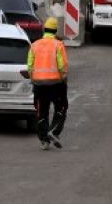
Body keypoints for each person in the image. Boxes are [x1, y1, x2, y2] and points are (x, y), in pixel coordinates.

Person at [27, 16, 69, 150]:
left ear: (44, 29)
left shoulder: (34, 45)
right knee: (61, 108)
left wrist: (33, 78)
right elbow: (62, 65)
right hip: (56, 83)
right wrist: (64, 77)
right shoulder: (58, 45)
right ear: (55, 31)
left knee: (41, 111)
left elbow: (29, 66)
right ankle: (54, 131)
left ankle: (44, 140)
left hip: (39, 84)